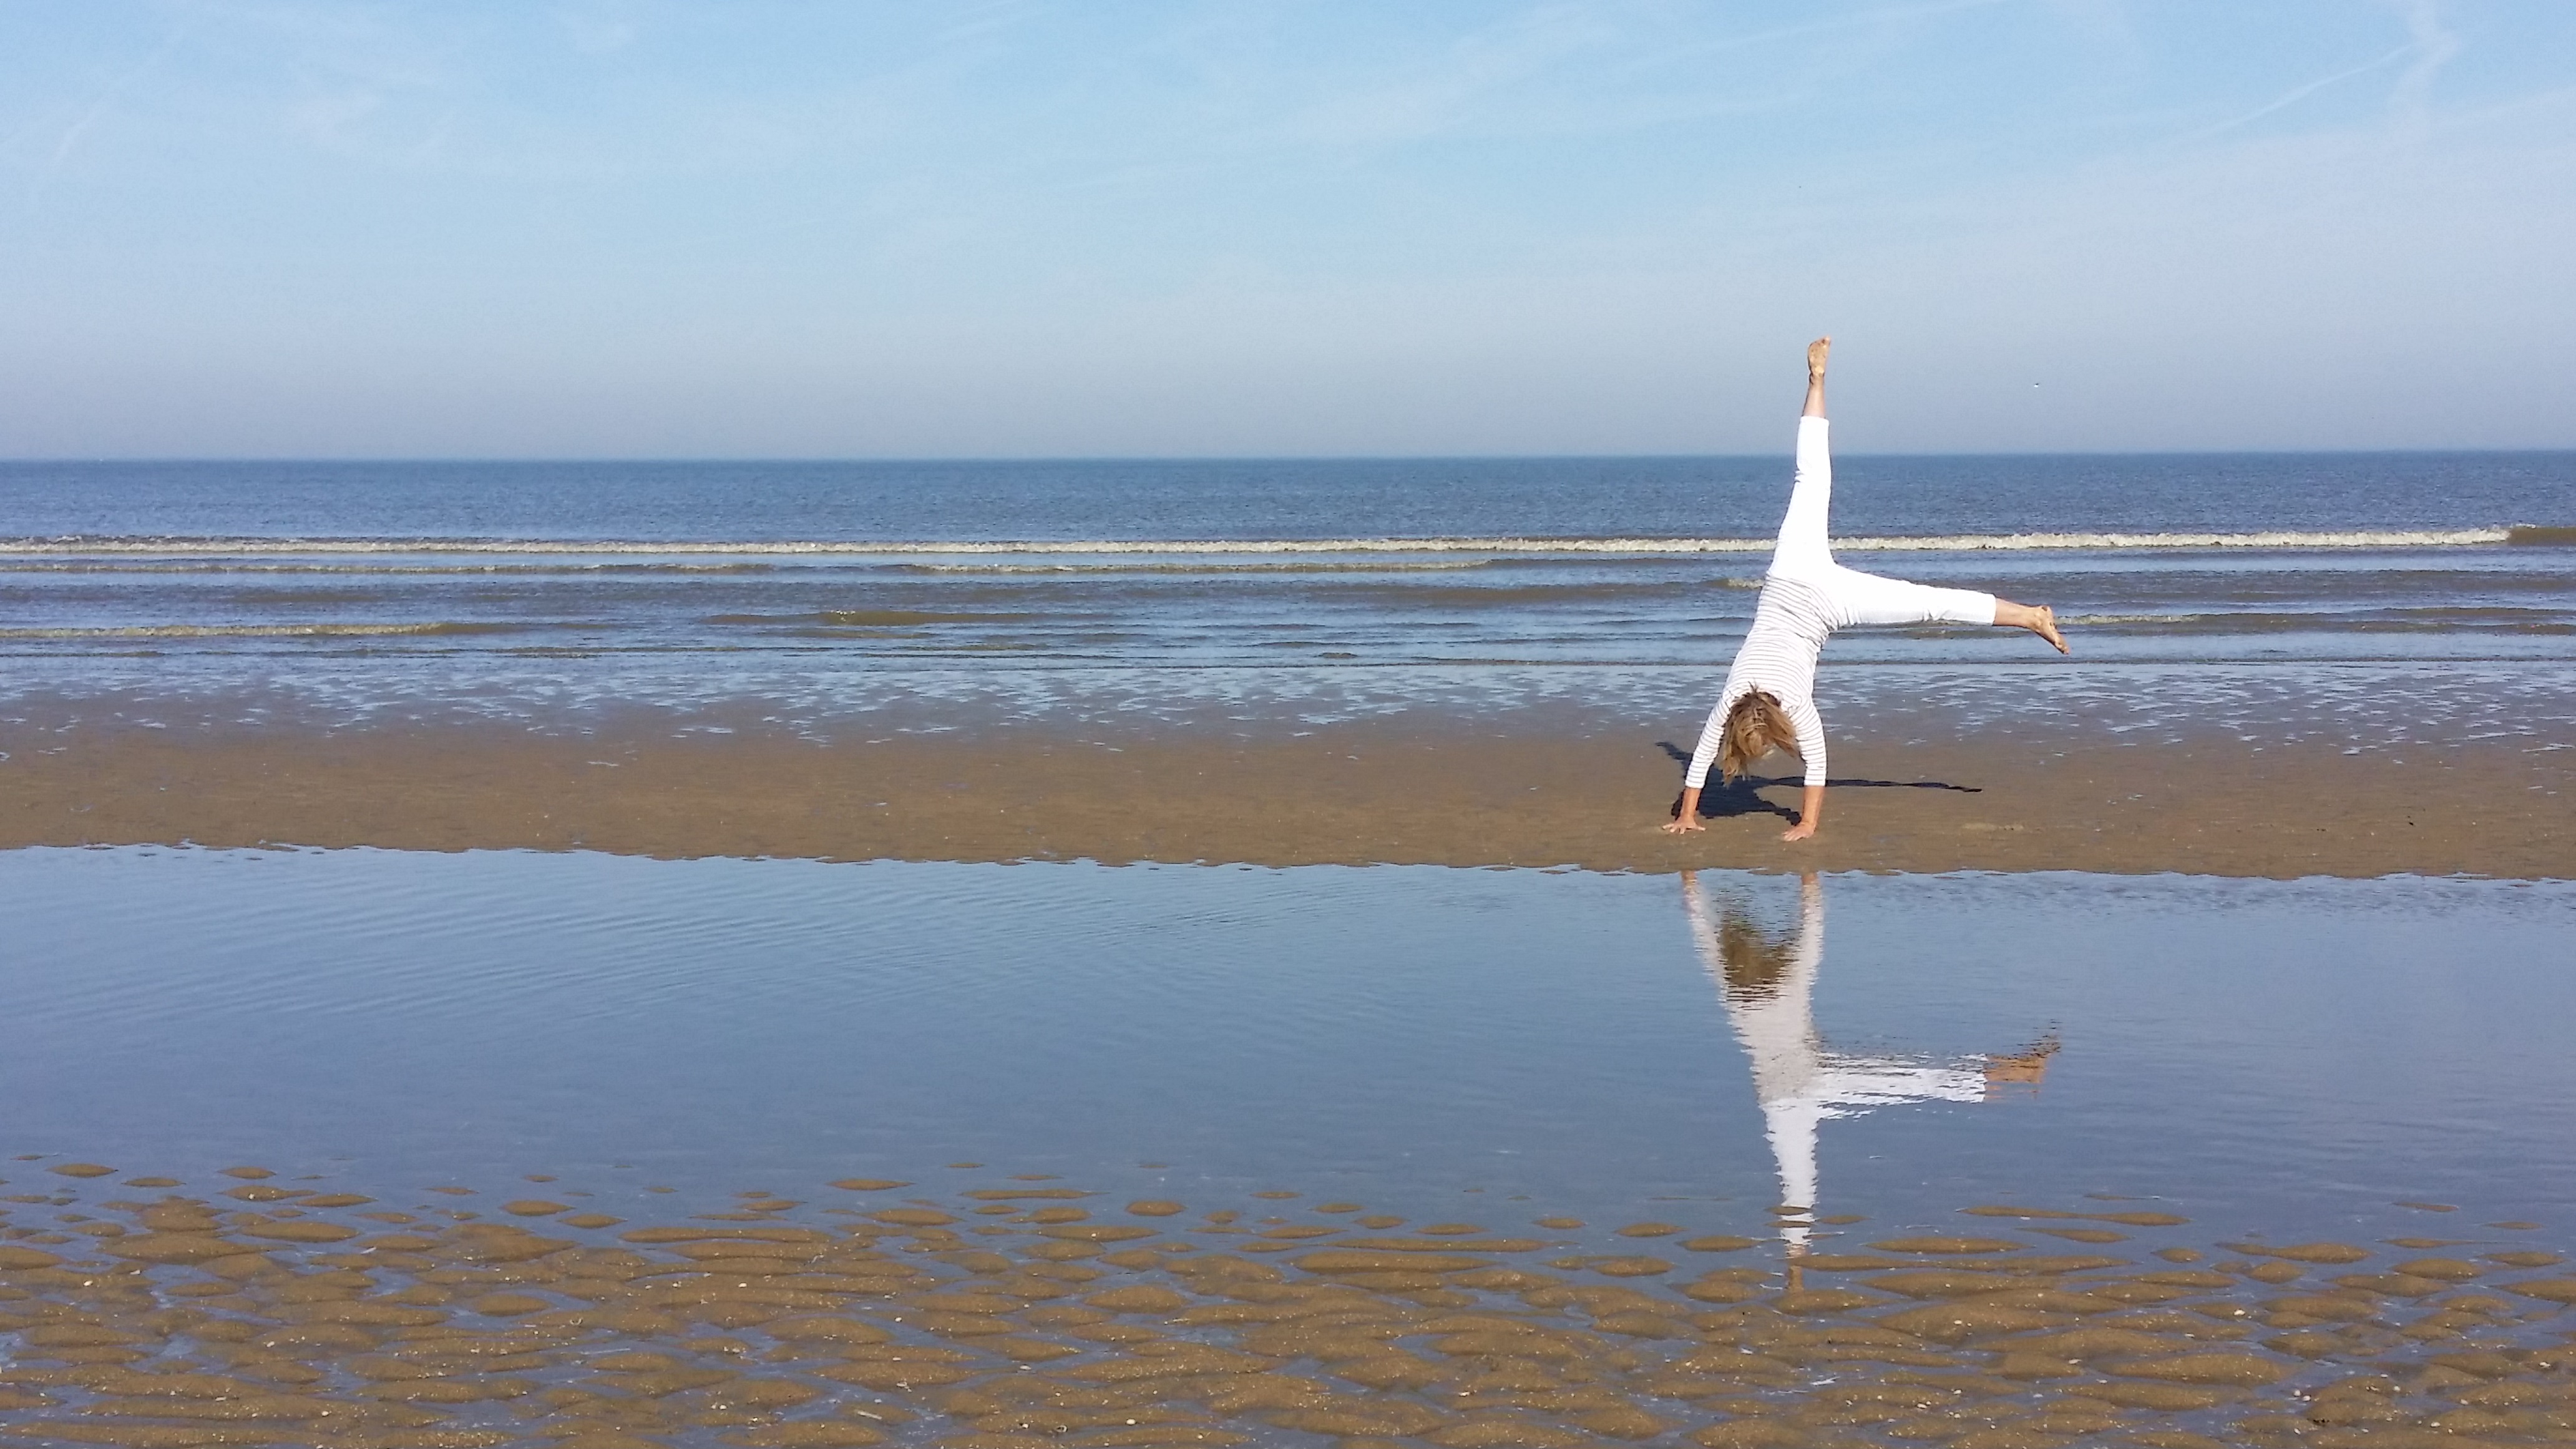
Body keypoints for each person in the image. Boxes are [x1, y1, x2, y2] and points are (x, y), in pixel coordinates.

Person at [1664, 338, 2066, 841]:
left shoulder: (1790, 706)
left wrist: (1803, 824)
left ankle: (2030, 617)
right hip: (1791, 572)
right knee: (1812, 479)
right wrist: (1687, 811)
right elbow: (1702, 755)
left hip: (1825, 599)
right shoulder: (1732, 701)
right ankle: (1816, 380)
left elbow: (1810, 761)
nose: (1768, 755)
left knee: (1928, 605)